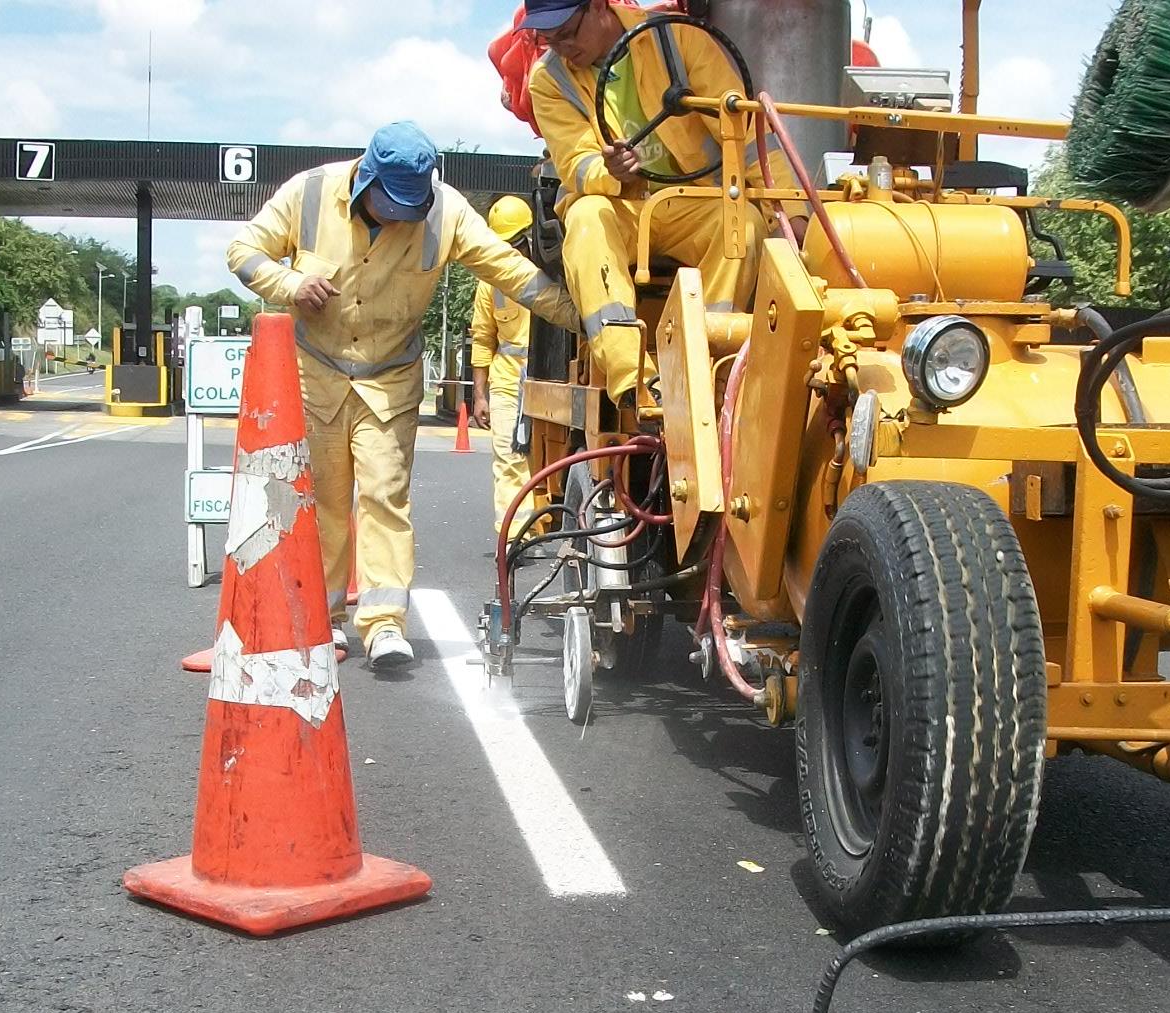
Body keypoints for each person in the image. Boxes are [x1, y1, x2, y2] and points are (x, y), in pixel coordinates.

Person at [227, 122, 578, 668]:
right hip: (314, 375)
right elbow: (243, 250)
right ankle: (324, 621)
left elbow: (512, 273)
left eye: (410, 207)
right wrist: (289, 284)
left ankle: (384, 624)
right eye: (391, 204)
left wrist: (585, 318)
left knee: (386, 497)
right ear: (366, 179)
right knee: (322, 501)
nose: (400, 218)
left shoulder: (446, 213)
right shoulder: (311, 192)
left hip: (388, 380)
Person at [521, 0, 797, 418]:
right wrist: (610, 171)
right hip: (622, 208)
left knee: (742, 222)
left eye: (568, 32)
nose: (561, 47)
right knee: (586, 217)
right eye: (549, 38)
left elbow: (742, 136)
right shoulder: (549, 80)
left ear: (599, 6)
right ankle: (635, 381)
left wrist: (792, 210)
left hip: (692, 201)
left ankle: (705, 363)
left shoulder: (677, 39)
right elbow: (575, 162)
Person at [471, 195, 545, 543]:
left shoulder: (552, 275)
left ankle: (538, 525)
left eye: (516, 244)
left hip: (546, 380)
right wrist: (479, 395)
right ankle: (514, 536)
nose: (511, 253)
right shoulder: (490, 283)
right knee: (508, 458)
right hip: (506, 383)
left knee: (541, 460)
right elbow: (483, 339)